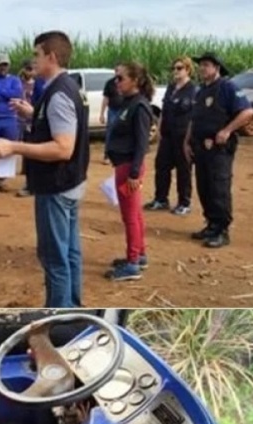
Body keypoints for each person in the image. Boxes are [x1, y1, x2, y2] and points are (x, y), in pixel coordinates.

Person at [0, 30, 88, 308]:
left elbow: (62, 148)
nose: (33, 61)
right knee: (70, 253)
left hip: (56, 186)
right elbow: (61, 124)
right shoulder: (67, 87)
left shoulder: (58, 94)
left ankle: (59, 316)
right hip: (69, 182)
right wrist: (32, 113)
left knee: (54, 258)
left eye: (37, 54)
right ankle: (72, 308)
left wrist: (14, 147)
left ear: (51, 57)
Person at [184, 52, 252, 248]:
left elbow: (247, 111)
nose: (202, 68)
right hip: (200, 147)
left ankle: (222, 230)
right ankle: (211, 225)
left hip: (219, 149)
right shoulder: (200, 91)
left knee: (218, 188)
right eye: (201, 65)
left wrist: (227, 130)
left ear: (217, 68)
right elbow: (193, 118)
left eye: (206, 65)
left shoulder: (227, 87)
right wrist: (187, 142)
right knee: (203, 187)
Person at [103, 62, 154, 282]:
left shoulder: (139, 106)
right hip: (123, 165)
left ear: (134, 80)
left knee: (130, 216)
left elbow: (142, 143)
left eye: (121, 78)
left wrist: (134, 173)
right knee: (134, 214)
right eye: (116, 78)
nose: (117, 82)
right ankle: (138, 254)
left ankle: (133, 263)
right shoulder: (127, 103)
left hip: (129, 167)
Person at [145, 55, 197, 215]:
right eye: (174, 68)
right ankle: (161, 199)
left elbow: (194, 117)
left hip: (183, 137)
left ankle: (184, 203)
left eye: (179, 68)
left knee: (183, 170)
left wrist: (189, 139)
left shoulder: (193, 90)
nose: (175, 71)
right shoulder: (171, 88)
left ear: (188, 69)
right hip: (167, 135)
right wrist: (159, 130)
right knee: (161, 166)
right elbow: (164, 111)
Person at [0, 52, 23, 192]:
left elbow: (17, 94)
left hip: (9, 119)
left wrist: (0, 91)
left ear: (9, 66)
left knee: (9, 149)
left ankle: (0, 180)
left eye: (5, 64)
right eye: (0, 64)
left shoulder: (15, 80)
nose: (3, 67)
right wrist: (6, 93)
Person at [15, 59, 36, 198]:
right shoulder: (18, 83)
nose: (28, 72)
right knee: (23, 150)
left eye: (31, 69)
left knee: (31, 152)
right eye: (26, 69)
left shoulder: (38, 84)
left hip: (33, 121)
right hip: (19, 120)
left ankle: (31, 184)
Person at [100, 62, 124, 164]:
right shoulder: (109, 83)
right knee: (110, 132)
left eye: (120, 70)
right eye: (116, 70)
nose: (118, 72)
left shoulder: (126, 82)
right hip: (113, 111)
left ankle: (120, 155)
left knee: (123, 133)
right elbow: (105, 98)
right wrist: (102, 113)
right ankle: (107, 155)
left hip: (124, 112)